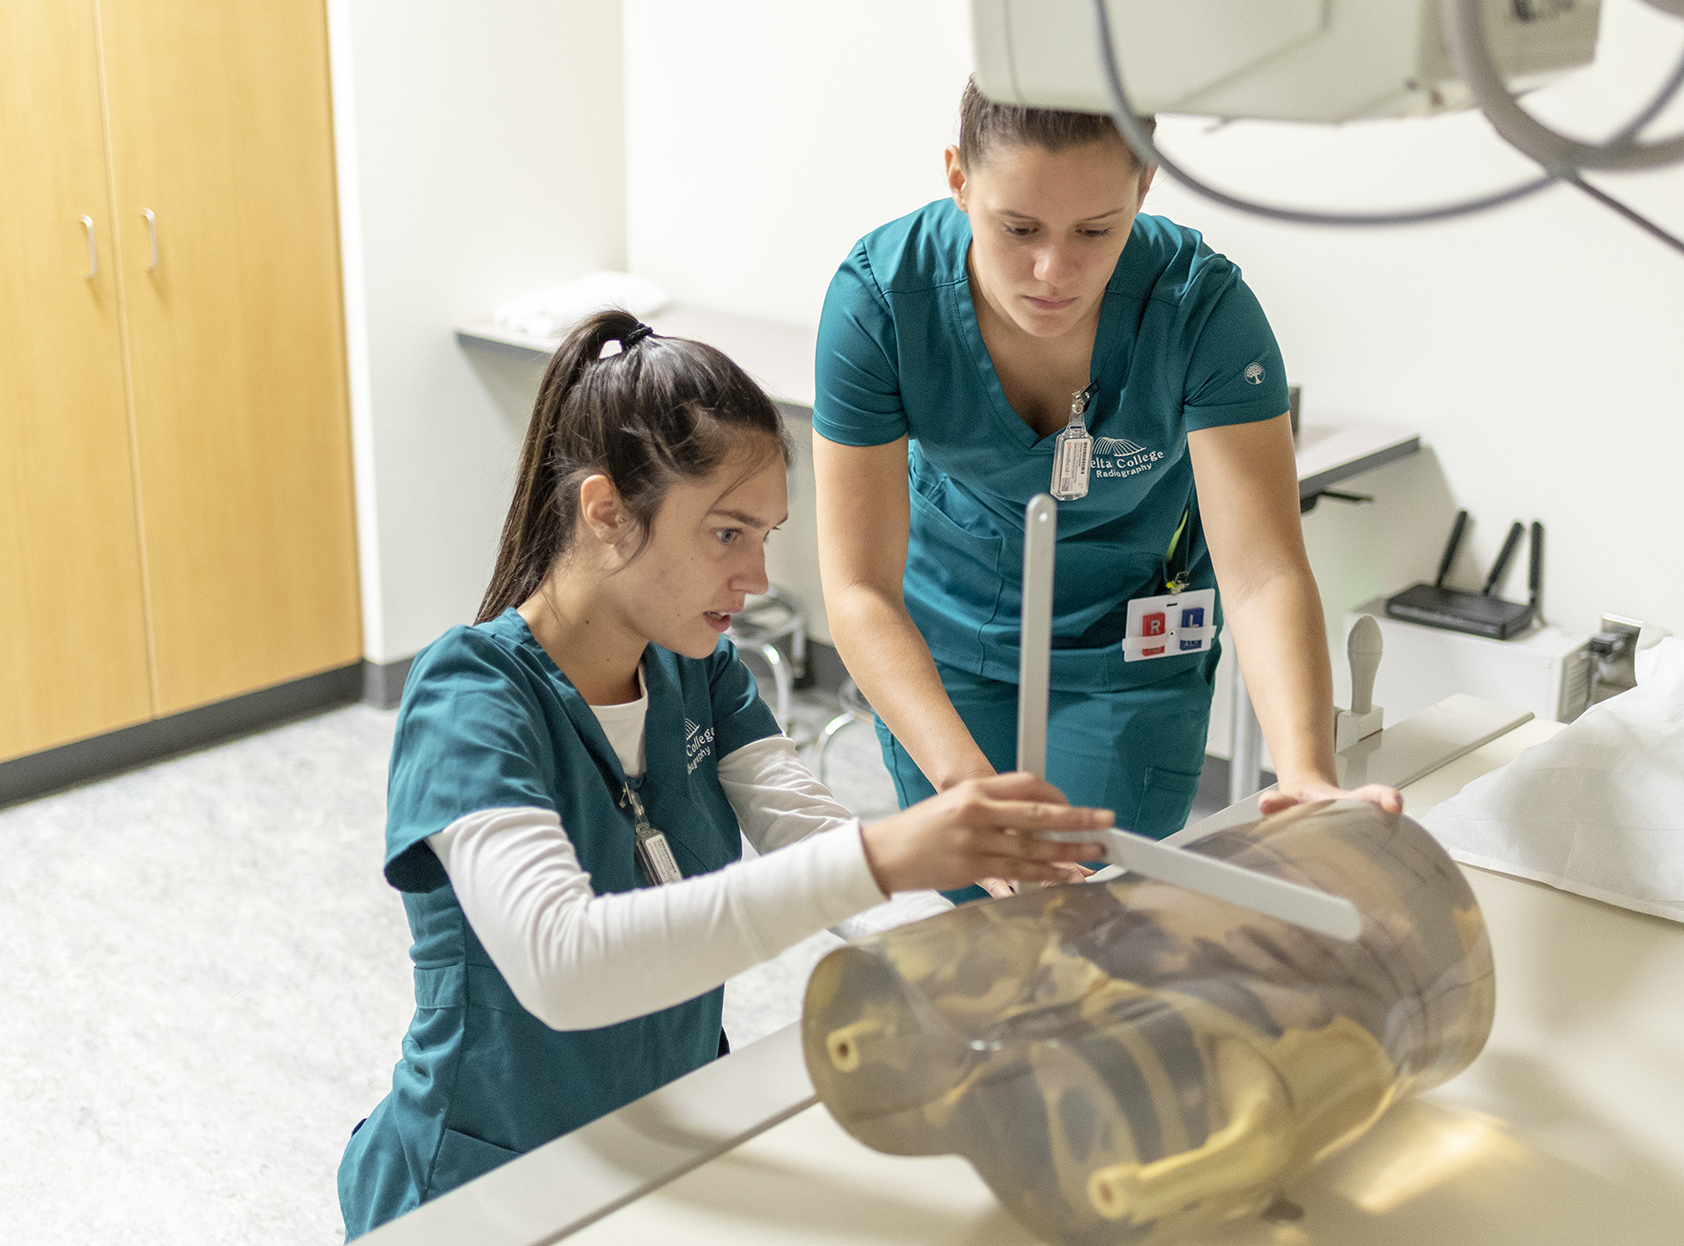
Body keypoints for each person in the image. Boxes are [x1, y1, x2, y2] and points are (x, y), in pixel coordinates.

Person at [336, 309, 1111, 1238]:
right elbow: (563, 964)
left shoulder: (692, 664)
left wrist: (969, 961)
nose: (758, 576)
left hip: (655, 1148)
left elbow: (801, 821)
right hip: (484, 1188)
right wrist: (890, 853)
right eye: (727, 534)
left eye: (767, 535)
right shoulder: (471, 698)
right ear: (606, 511)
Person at [813, 80, 1400, 900]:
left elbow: (1263, 571)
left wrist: (1304, 768)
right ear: (958, 179)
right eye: (1017, 228)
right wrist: (962, 783)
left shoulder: (1201, 310)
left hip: (1130, 645)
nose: (1053, 272)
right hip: (946, 638)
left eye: (1096, 230)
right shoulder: (882, 301)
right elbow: (858, 586)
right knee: (973, 919)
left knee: (1103, 913)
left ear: (1145, 186)